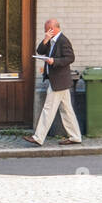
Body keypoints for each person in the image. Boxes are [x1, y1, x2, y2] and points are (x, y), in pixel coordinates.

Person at [24, 18, 82, 146]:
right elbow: (40, 51)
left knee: (48, 109)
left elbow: (70, 58)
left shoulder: (63, 41)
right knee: (67, 111)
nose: (46, 32)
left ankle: (38, 137)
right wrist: (45, 39)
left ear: (54, 28)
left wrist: (54, 61)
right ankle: (75, 136)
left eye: (47, 30)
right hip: (57, 81)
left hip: (59, 82)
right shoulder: (51, 40)